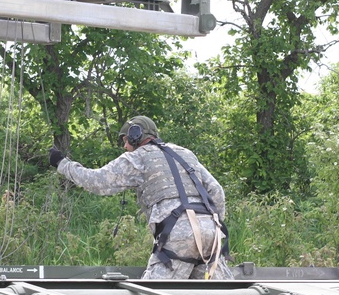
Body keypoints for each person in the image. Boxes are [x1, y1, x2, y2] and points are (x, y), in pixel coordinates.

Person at [48, 116, 232, 280]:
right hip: (211, 234)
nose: (125, 147)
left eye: (126, 140)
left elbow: (96, 181)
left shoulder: (137, 158)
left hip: (178, 236)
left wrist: (62, 163)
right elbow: (217, 191)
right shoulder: (185, 153)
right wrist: (214, 225)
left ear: (136, 136)